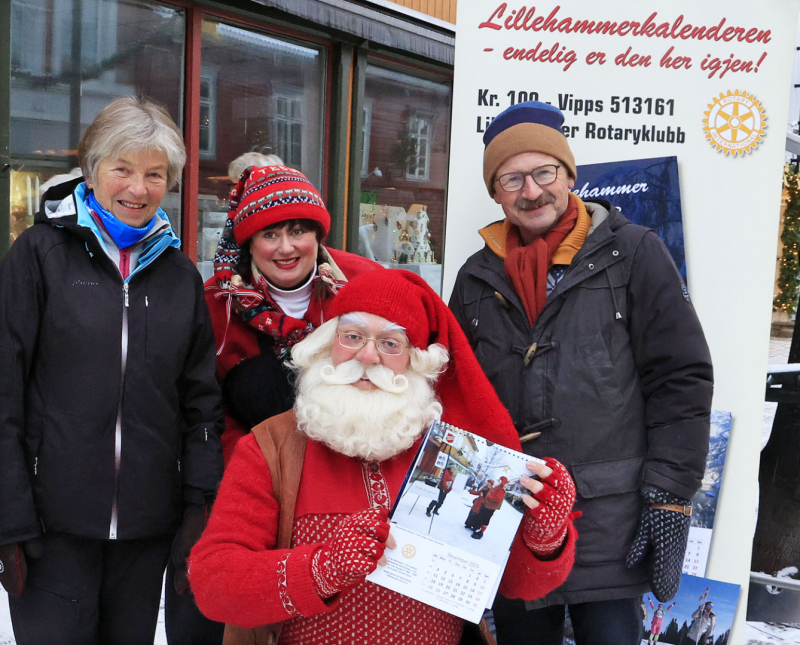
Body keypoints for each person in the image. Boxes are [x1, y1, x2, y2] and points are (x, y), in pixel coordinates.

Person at [189, 270, 580, 644]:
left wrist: (545, 538)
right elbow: (212, 582)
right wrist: (320, 569)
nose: (369, 356)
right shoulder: (271, 446)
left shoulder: (452, 449)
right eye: (353, 336)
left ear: (414, 359)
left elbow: (519, 585)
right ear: (328, 345)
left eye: (390, 343)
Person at [450, 100, 714, 645]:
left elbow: (681, 378)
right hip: (514, 515)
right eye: (511, 178)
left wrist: (669, 492)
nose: (531, 190)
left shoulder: (634, 253)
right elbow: (454, 389)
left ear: (569, 175)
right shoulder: (476, 277)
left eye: (544, 172)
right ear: (496, 192)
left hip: (609, 522)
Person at [0, 96, 224, 645]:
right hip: (50, 533)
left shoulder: (179, 275)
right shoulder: (40, 256)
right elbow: (3, 390)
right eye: (122, 169)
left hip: (147, 534)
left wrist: (199, 505)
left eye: (154, 174)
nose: (138, 188)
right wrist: (9, 515)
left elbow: (200, 402)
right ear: (92, 168)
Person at [206, 164, 381, 463]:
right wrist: (255, 469)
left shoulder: (367, 282)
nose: (286, 248)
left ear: (317, 235)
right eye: (270, 235)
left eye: (298, 231)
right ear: (250, 242)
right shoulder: (218, 301)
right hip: (260, 472)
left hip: (356, 465)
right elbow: (207, 407)